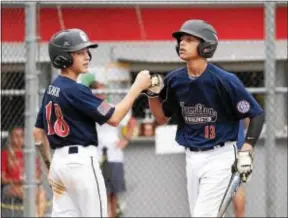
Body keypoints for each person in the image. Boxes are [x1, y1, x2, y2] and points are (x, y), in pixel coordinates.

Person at [147, 20, 264, 217]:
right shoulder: (175, 80)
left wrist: (247, 150)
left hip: (220, 156)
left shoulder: (224, 80)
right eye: (181, 40)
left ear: (206, 46)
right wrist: (151, 95)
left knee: (202, 215)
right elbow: (162, 118)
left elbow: (256, 114)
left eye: (190, 39)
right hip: (191, 158)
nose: (182, 43)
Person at [32, 28, 153, 217]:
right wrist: (137, 86)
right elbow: (114, 117)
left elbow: (37, 133)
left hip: (59, 165)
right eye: (79, 52)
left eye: (86, 51)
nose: (87, 56)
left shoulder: (51, 89)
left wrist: (50, 166)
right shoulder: (76, 90)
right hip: (81, 163)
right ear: (63, 57)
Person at [79, 72, 137, 218]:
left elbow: (131, 121)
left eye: (103, 92)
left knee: (112, 194)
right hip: (93, 155)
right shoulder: (87, 109)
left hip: (113, 155)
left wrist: (125, 140)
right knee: (98, 192)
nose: (102, 95)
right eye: (98, 92)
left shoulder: (109, 108)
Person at [1, 127, 47, 217]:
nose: (19, 139)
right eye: (16, 136)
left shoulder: (29, 153)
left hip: (29, 185)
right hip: (11, 186)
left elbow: (38, 176)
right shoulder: (4, 154)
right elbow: (2, 179)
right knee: (29, 194)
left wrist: (32, 179)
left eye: (22, 136)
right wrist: (17, 181)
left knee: (41, 193)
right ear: (10, 138)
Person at [233, 118, 249, 217]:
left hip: (217, 147)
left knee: (215, 193)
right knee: (238, 187)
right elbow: (249, 118)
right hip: (239, 146)